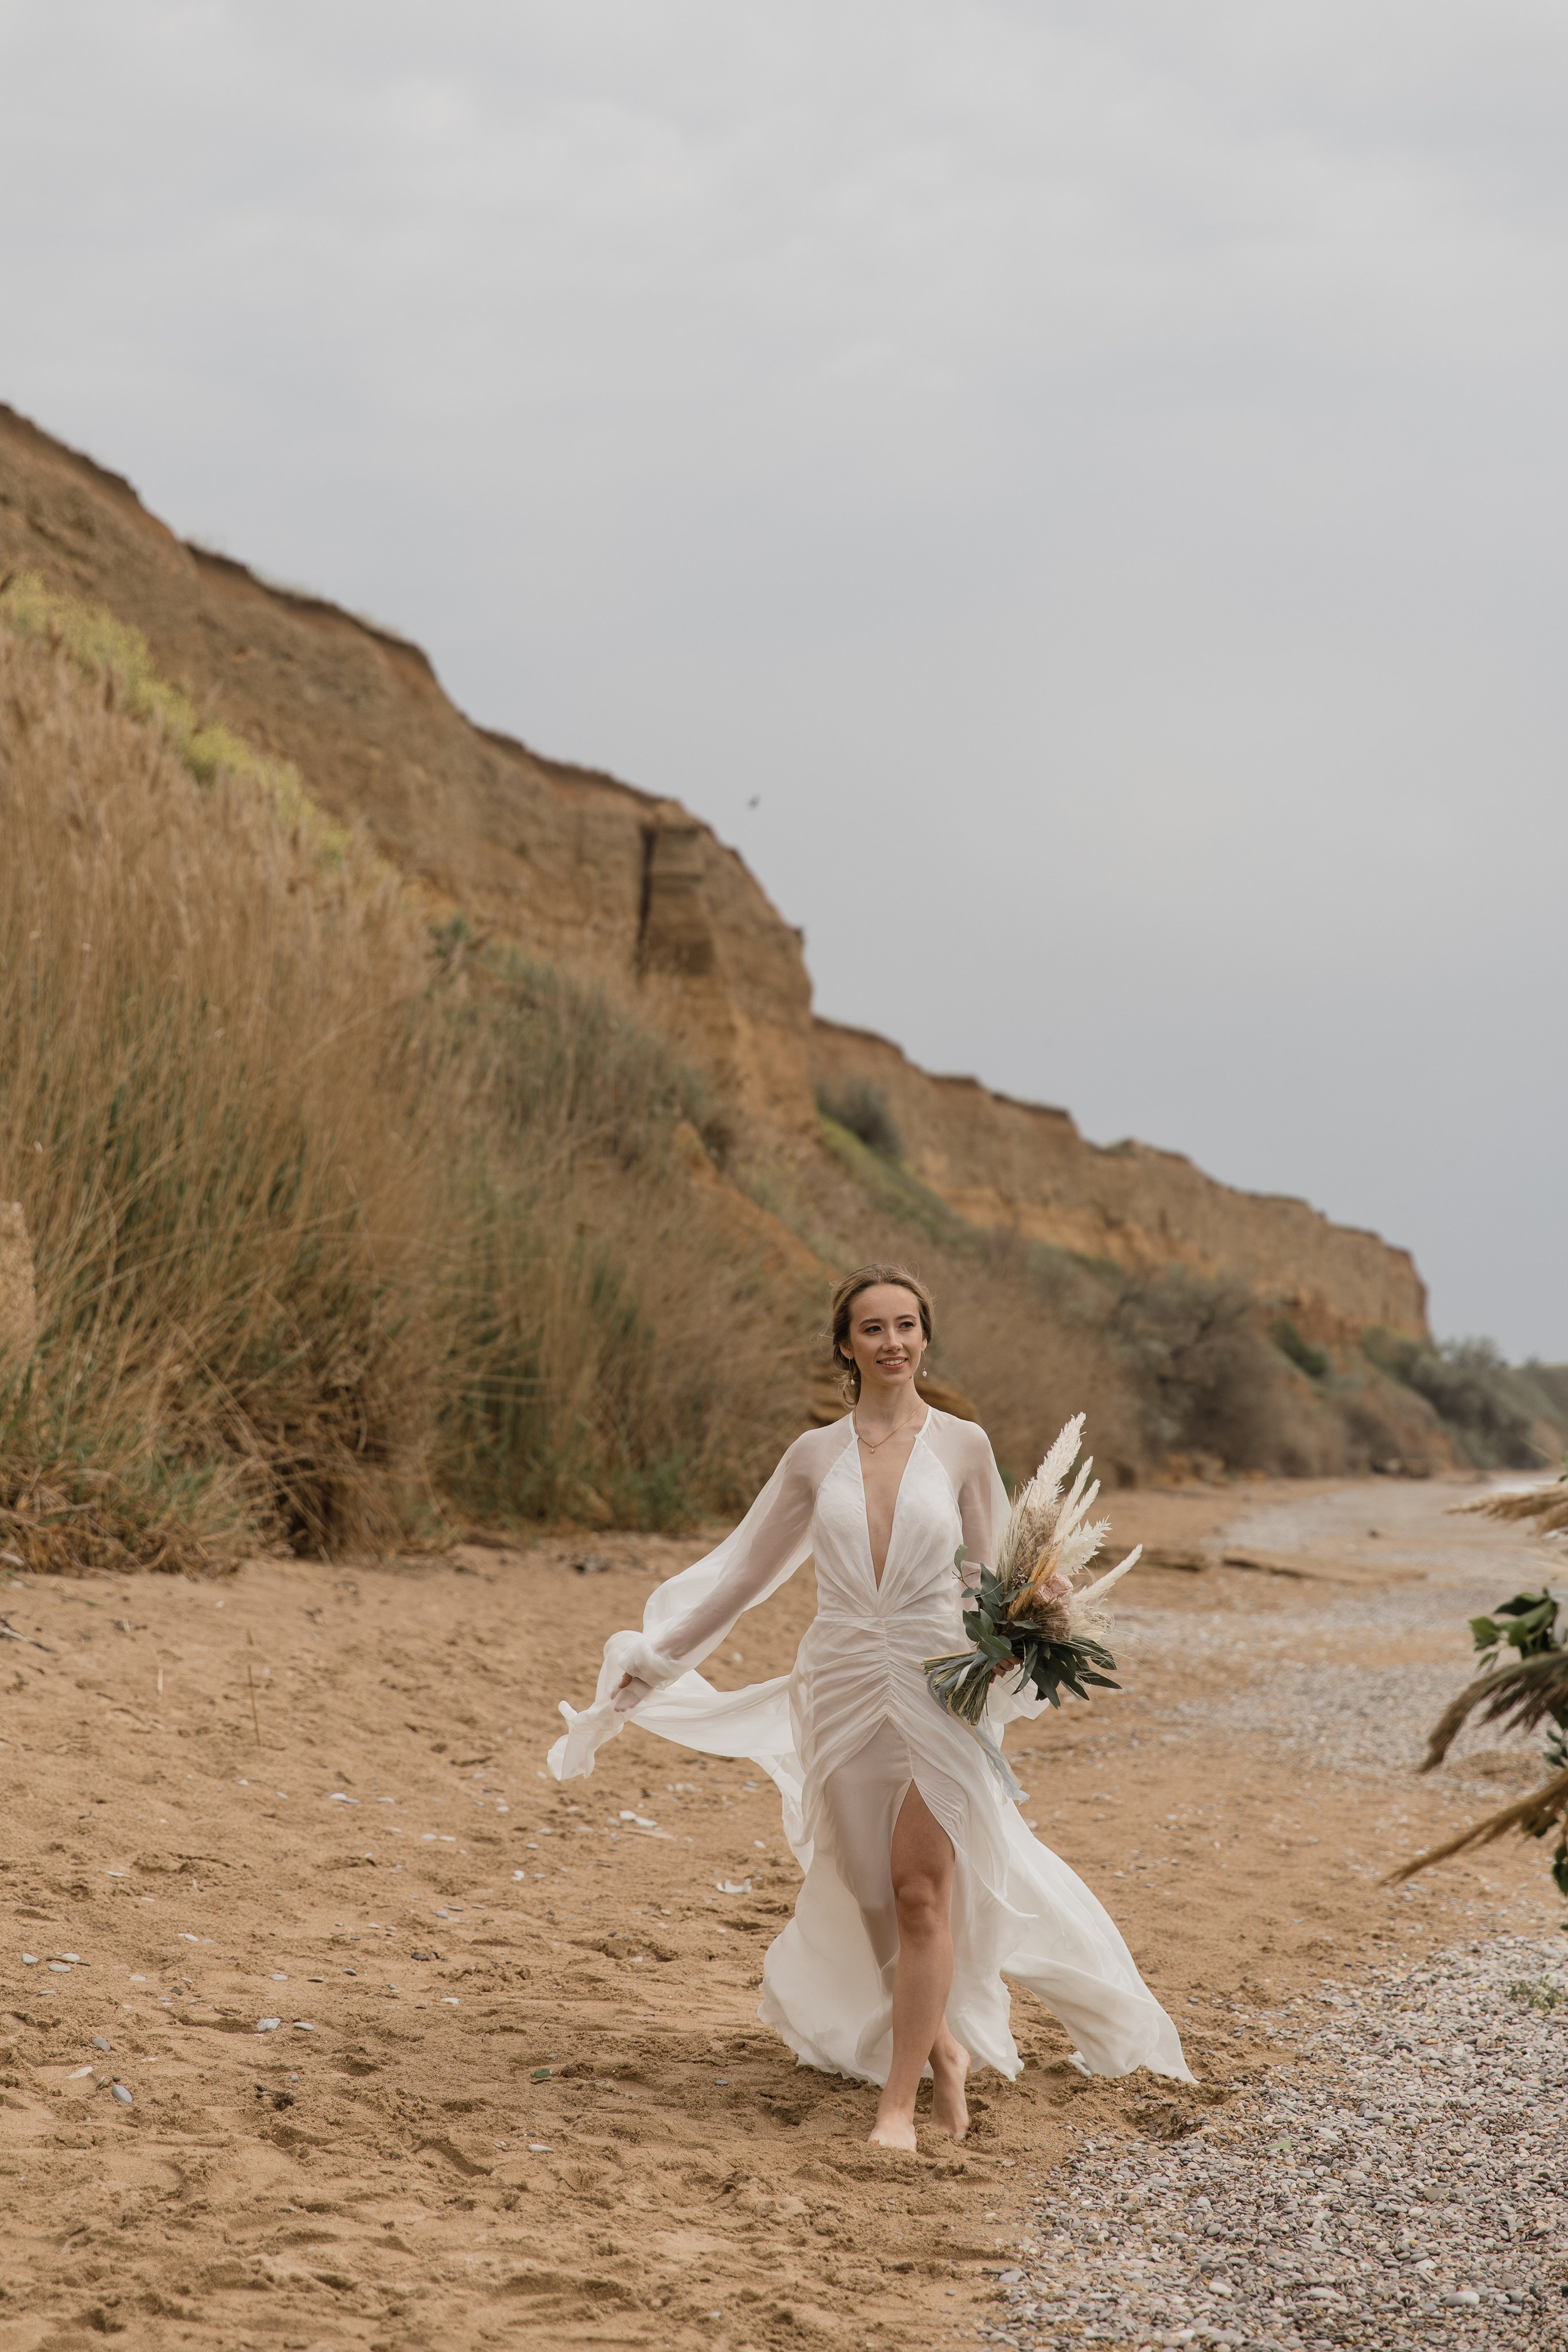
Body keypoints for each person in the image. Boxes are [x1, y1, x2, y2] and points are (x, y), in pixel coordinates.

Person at [549, 1262, 1191, 2149]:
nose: (893, 1343)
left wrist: (1034, 1612)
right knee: (871, 1894)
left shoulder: (963, 1445)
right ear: (846, 1347)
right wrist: (657, 1664)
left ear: (926, 1337)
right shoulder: (814, 1457)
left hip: (940, 1686)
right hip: (844, 1681)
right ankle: (946, 2051)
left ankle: (902, 2103)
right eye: (873, 1329)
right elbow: (743, 1580)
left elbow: (990, 1571)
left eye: (907, 1326)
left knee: (921, 1894)